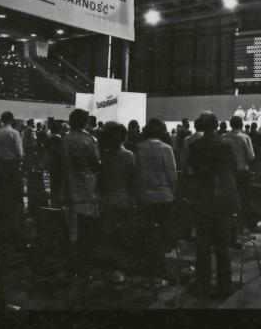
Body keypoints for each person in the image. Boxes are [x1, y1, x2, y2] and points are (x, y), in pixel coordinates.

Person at [188, 111, 240, 299]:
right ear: (217, 124)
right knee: (222, 245)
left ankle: (202, 285)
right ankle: (224, 287)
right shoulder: (226, 144)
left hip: (203, 198)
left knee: (202, 245)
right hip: (223, 199)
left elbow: (195, 171)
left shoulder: (194, 146)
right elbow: (234, 167)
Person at [135, 117, 177, 286]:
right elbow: (172, 175)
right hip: (164, 197)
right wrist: (172, 192)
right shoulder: (166, 148)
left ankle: (149, 271)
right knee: (160, 236)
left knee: (148, 235)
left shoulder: (137, 148)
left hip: (144, 197)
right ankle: (160, 271)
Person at [61, 108, 100, 246]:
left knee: (71, 219)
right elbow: (95, 162)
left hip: (68, 182)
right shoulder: (89, 139)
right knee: (86, 220)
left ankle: (72, 244)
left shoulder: (65, 139)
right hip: (86, 185)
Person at [100, 121, 136, 259]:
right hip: (124, 198)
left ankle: (109, 258)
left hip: (108, 198)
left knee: (108, 231)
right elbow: (132, 178)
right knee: (125, 231)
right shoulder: (129, 155)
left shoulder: (105, 155)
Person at [0, 111, 24, 237]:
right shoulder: (14, 133)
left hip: (0, 164)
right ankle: (14, 223)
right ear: (12, 120)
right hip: (11, 165)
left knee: (1, 190)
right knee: (14, 193)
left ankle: (1, 218)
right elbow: (19, 153)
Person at [227, 115, 255, 233]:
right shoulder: (245, 137)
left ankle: (231, 226)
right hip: (242, 172)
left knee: (230, 199)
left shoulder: (224, 137)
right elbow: (251, 156)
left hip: (228, 173)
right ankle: (242, 226)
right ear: (241, 125)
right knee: (244, 200)